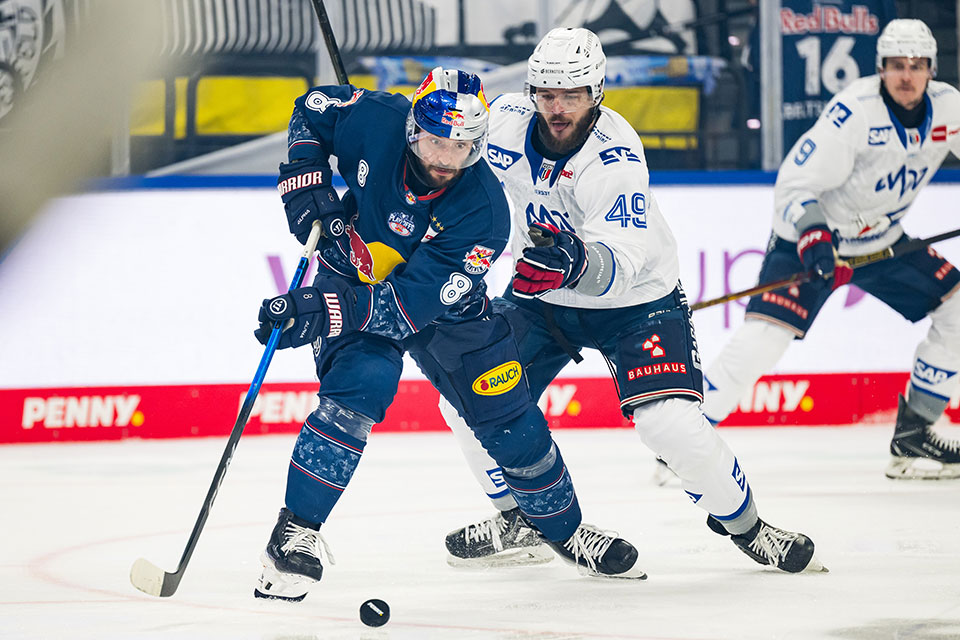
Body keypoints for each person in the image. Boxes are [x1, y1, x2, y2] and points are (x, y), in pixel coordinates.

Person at [252, 66, 646, 602]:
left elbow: (402, 309)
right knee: (361, 384)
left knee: (509, 417)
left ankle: (563, 530)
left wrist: (320, 310)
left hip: (443, 309)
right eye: (436, 141)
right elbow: (313, 108)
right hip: (354, 269)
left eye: (461, 147)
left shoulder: (484, 214)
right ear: (413, 129)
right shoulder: (377, 117)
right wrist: (306, 183)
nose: (445, 158)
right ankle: (295, 533)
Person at [440, 27, 824, 574]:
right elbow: (437, 148)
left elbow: (619, 262)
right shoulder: (503, 121)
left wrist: (573, 262)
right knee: (465, 395)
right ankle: (521, 518)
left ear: (596, 92)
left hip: (636, 299)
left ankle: (749, 528)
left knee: (670, 425)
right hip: (543, 297)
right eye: (546, 94)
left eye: (571, 95)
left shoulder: (614, 156)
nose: (556, 108)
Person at [701, 18, 960, 481]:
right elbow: (794, 185)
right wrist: (816, 240)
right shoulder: (853, 113)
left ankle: (915, 432)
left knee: (958, 307)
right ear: (880, 68)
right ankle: (689, 441)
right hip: (816, 241)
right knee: (764, 341)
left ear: (931, 69)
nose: (907, 75)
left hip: (882, 242)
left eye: (917, 65)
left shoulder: (948, 108)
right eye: (897, 65)